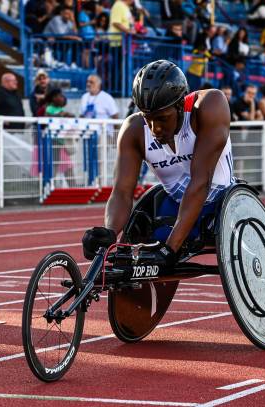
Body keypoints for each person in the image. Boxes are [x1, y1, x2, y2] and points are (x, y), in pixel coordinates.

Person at [82, 60, 234, 267]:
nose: (155, 129)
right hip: (174, 206)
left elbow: (200, 182)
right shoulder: (133, 130)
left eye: (162, 118)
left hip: (221, 203)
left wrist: (169, 248)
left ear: (181, 105)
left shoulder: (210, 106)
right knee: (130, 264)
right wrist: (109, 232)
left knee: (164, 250)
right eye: (148, 118)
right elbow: (122, 192)